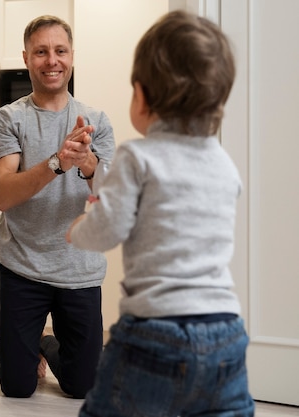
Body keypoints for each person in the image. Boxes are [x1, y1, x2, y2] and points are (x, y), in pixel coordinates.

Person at [67, 10, 254, 416]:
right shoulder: (224, 164)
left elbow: (107, 230)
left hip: (154, 334)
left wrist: (79, 229)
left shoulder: (137, 157)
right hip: (226, 331)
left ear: (142, 97)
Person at [0, 15, 116, 399]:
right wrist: (58, 162)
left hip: (80, 269)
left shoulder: (97, 122)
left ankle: (48, 344)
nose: (51, 60)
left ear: (72, 56)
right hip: (22, 266)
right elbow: (2, 195)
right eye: (41, 52)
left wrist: (89, 163)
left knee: (82, 388)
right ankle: (35, 347)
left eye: (59, 51)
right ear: (26, 58)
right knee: (17, 387)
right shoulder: (8, 119)